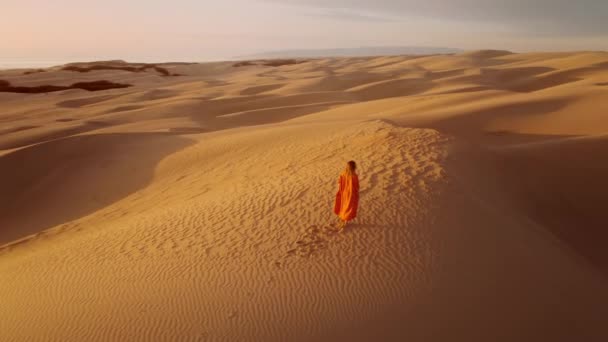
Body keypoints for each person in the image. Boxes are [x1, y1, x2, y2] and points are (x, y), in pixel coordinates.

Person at [333, 160, 359, 231]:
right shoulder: (354, 176)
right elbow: (356, 186)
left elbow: (339, 182)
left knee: (343, 205)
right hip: (351, 194)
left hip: (344, 192)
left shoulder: (343, 174)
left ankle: (342, 217)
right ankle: (345, 220)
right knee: (349, 207)